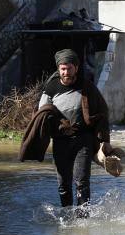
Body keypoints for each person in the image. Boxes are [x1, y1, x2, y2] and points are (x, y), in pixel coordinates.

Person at [37, 49, 111, 216]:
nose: (66, 72)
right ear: (58, 69)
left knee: (82, 182)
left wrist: (104, 140)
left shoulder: (87, 87)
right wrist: (58, 124)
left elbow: (103, 111)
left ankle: (83, 219)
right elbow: (42, 113)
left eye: (69, 68)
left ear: (76, 68)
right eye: (62, 69)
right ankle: (66, 214)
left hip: (82, 140)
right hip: (60, 142)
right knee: (63, 183)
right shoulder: (51, 87)